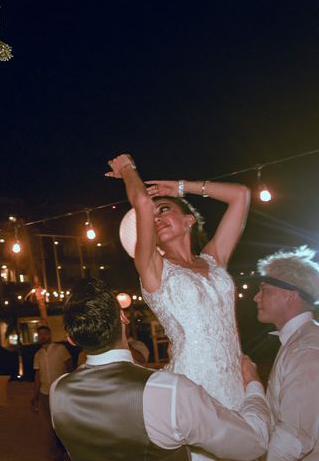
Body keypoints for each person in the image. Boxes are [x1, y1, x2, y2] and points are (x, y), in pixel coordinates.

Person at [106, 154, 250, 460]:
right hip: (193, 389)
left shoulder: (214, 259)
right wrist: (128, 169)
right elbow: (142, 205)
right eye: (153, 215)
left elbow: (241, 196)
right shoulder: (153, 267)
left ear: (189, 220)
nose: (156, 217)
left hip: (237, 385)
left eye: (165, 210)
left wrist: (181, 187)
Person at [50, 277, 271, 461]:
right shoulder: (171, 391)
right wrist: (253, 384)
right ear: (123, 317)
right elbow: (253, 443)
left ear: (71, 339)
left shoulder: (58, 392)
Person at [253, 246, 319, 460]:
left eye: (264, 290)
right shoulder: (297, 341)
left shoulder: (306, 349)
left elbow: (294, 437)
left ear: (291, 296)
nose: (256, 297)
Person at [30, 325, 71, 461]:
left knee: (63, 421)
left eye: (45, 333)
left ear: (49, 334)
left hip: (60, 391)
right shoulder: (37, 354)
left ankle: (68, 448)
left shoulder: (61, 349)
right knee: (51, 424)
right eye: (40, 334)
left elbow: (70, 367)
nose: (42, 336)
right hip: (45, 393)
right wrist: (35, 395)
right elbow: (37, 375)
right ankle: (59, 450)